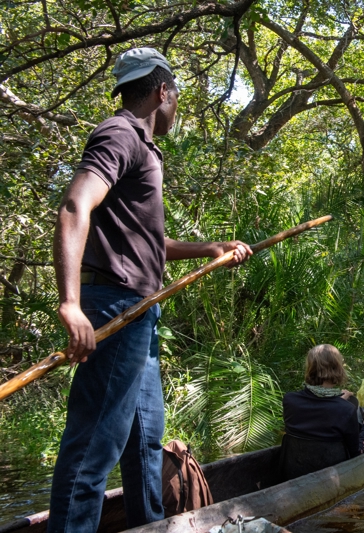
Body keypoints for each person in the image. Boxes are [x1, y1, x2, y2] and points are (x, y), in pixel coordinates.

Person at [49, 48, 253, 532]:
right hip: (116, 309)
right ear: (163, 91)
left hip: (141, 313)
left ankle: (151, 525)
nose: (176, 106)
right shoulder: (119, 134)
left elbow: (148, 244)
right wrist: (71, 303)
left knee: (145, 440)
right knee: (95, 442)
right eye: (176, 95)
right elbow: (75, 206)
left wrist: (210, 248)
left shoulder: (142, 146)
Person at [282, 345, 364, 469]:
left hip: (294, 471)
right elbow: (357, 455)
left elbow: (315, 415)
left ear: (309, 368)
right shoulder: (346, 409)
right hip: (332, 478)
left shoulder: (290, 400)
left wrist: (337, 401)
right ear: (338, 369)